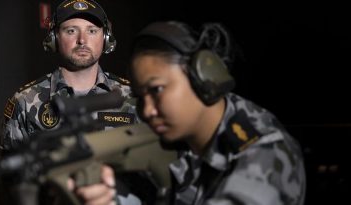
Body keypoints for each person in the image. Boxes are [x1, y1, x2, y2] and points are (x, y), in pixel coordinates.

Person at [125, 21, 306, 205]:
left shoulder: (265, 156)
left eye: (157, 89)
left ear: (202, 76)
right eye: (140, 97)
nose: (147, 111)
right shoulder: (185, 140)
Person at [0, 0, 140, 204]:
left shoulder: (132, 97)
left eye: (92, 31)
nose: (82, 40)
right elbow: (11, 183)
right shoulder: (25, 102)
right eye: (71, 30)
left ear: (106, 38)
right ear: (54, 38)